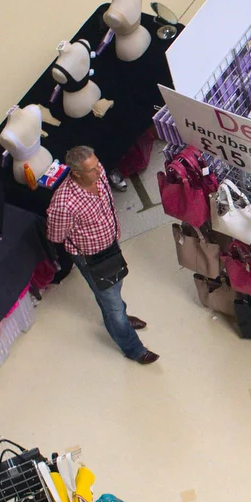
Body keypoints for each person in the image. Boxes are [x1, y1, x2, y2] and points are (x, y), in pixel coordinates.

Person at [45, 147, 158, 365]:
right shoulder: (64, 204)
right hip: (91, 258)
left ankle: (121, 318)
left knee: (114, 288)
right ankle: (134, 349)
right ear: (76, 173)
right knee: (112, 304)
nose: (99, 171)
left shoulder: (100, 173)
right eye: (92, 169)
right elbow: (55, 235)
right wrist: (79, 247)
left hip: (111, 245)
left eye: (98, 164)